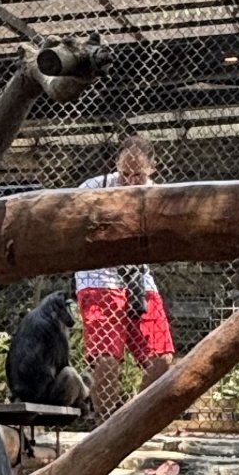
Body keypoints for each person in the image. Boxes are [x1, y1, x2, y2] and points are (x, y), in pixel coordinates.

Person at [74, 136, 175, 415]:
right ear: (117, 165)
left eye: (138, 175)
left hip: (139, 278)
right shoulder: (95, 187)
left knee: (162, 359)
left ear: (153, 167)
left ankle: (132, 418)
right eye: (125, 173)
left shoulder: (158, 194)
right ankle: (105, 425)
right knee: (106, 358)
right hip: (98, 278)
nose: (130, 180)